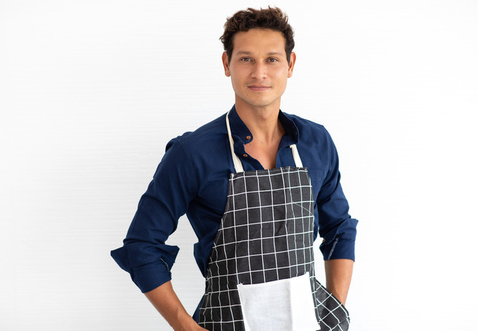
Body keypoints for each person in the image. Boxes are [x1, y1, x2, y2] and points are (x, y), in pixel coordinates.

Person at [111, 7, 358, 331]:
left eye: (271, 59)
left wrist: (335, 308)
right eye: (246, 59)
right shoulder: (192, 154)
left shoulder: (315, 142)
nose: (259, 72)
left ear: (290, 64)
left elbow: (339, 227)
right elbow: (141, 246)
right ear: (227, 64)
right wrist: (185, 326)